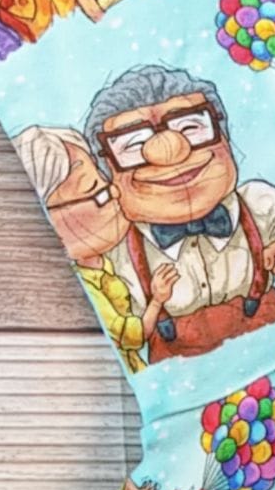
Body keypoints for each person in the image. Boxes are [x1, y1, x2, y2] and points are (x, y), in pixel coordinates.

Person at [85, 64, 275, 363]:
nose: (170, 151)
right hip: (184, 368)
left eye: (190, 127)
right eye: (134, 144)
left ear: (223, 136)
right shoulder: (118, 245)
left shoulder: (257, 201)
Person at [13, 124, 175, 375]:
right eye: (94, 190)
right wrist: (158, 299)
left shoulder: (108, 260)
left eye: (104, 181)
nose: (114, 191)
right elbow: (131, 336)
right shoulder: (82, 284)